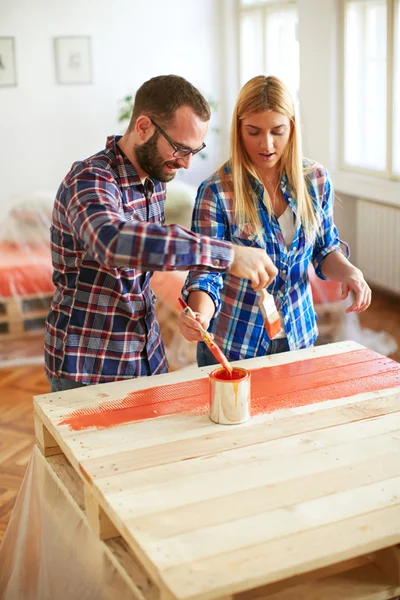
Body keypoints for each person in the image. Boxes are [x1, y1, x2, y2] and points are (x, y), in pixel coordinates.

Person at [44, 75, 277, 392]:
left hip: (146, 355)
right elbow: (113, 241)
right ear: (143, 127)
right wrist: (229, 253)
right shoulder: (90, 178)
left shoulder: (155, 182)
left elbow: (144, 261)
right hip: (88, 365)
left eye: (195, 150)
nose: (186, 163)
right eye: (180, 148)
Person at [178, 75, 371, 367]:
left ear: (292, 128)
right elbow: (207, 270)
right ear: (239, 129)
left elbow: (324, 248)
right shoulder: (217, 191)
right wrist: (199, 316)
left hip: (299, 338)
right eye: (253, 131)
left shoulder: (315, 180)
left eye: (277, 131)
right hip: (234, 346)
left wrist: (348, 271)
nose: (266, 144)